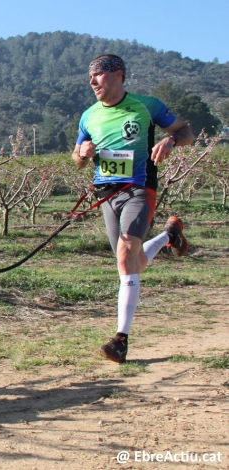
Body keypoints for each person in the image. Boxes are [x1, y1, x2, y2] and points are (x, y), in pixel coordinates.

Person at [72, 54, 195, 364]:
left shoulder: (146, 106)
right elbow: (77, 157)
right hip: (106, 195)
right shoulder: (88, 116)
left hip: (139, 189)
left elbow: (186, 133)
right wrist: (83, 155)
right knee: (133, 263)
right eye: (90, 76)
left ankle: (120, 341)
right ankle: (170, 237)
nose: (92, 81)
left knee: (126, 257)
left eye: (98, 75)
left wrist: (170, 141)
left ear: (118, 75)